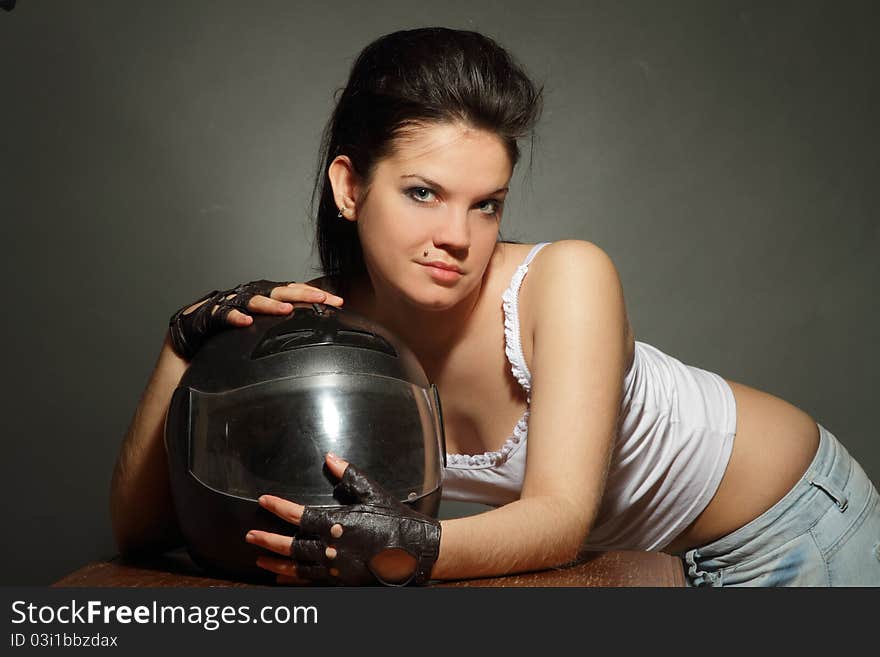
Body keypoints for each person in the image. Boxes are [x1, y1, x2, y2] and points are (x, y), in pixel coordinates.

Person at [110, 27, 880, 587]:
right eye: (422, 193)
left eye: (487, 205)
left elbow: (558, 519)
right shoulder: (319, 339)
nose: (457, 236)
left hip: (794, 524)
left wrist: (404, 547)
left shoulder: (567, 278)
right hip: (644, 568)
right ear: (350, 186)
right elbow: (145, 532)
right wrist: (184, 342)